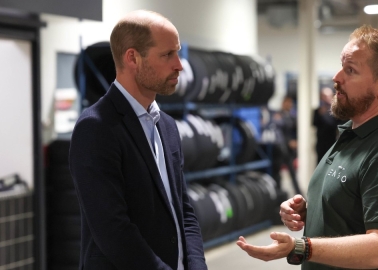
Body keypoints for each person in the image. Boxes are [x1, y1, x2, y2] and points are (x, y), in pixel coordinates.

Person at [69, 10, 208, 270]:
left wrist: (198, 265)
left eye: (177, 53)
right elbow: (112, 229)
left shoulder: (167, 126)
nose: (179, 64)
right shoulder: (96, 127)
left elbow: (183, 211)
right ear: (132, 58)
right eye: (168, 54)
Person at [236, 24, 378, 270]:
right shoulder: (349, 134)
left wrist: (301, 247)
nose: (336, 78)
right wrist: (312, 211)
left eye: (350, 70)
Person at [312, 87, 342, 164]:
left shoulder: (336, 111)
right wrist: (321, 114)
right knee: (320, 162)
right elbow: (314, 124)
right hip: (321, 141)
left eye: (328, 96)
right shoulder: (318, 110)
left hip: (332, 140)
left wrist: (325, 116)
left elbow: (336, 124)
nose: (326, 98)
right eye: (324, 96)